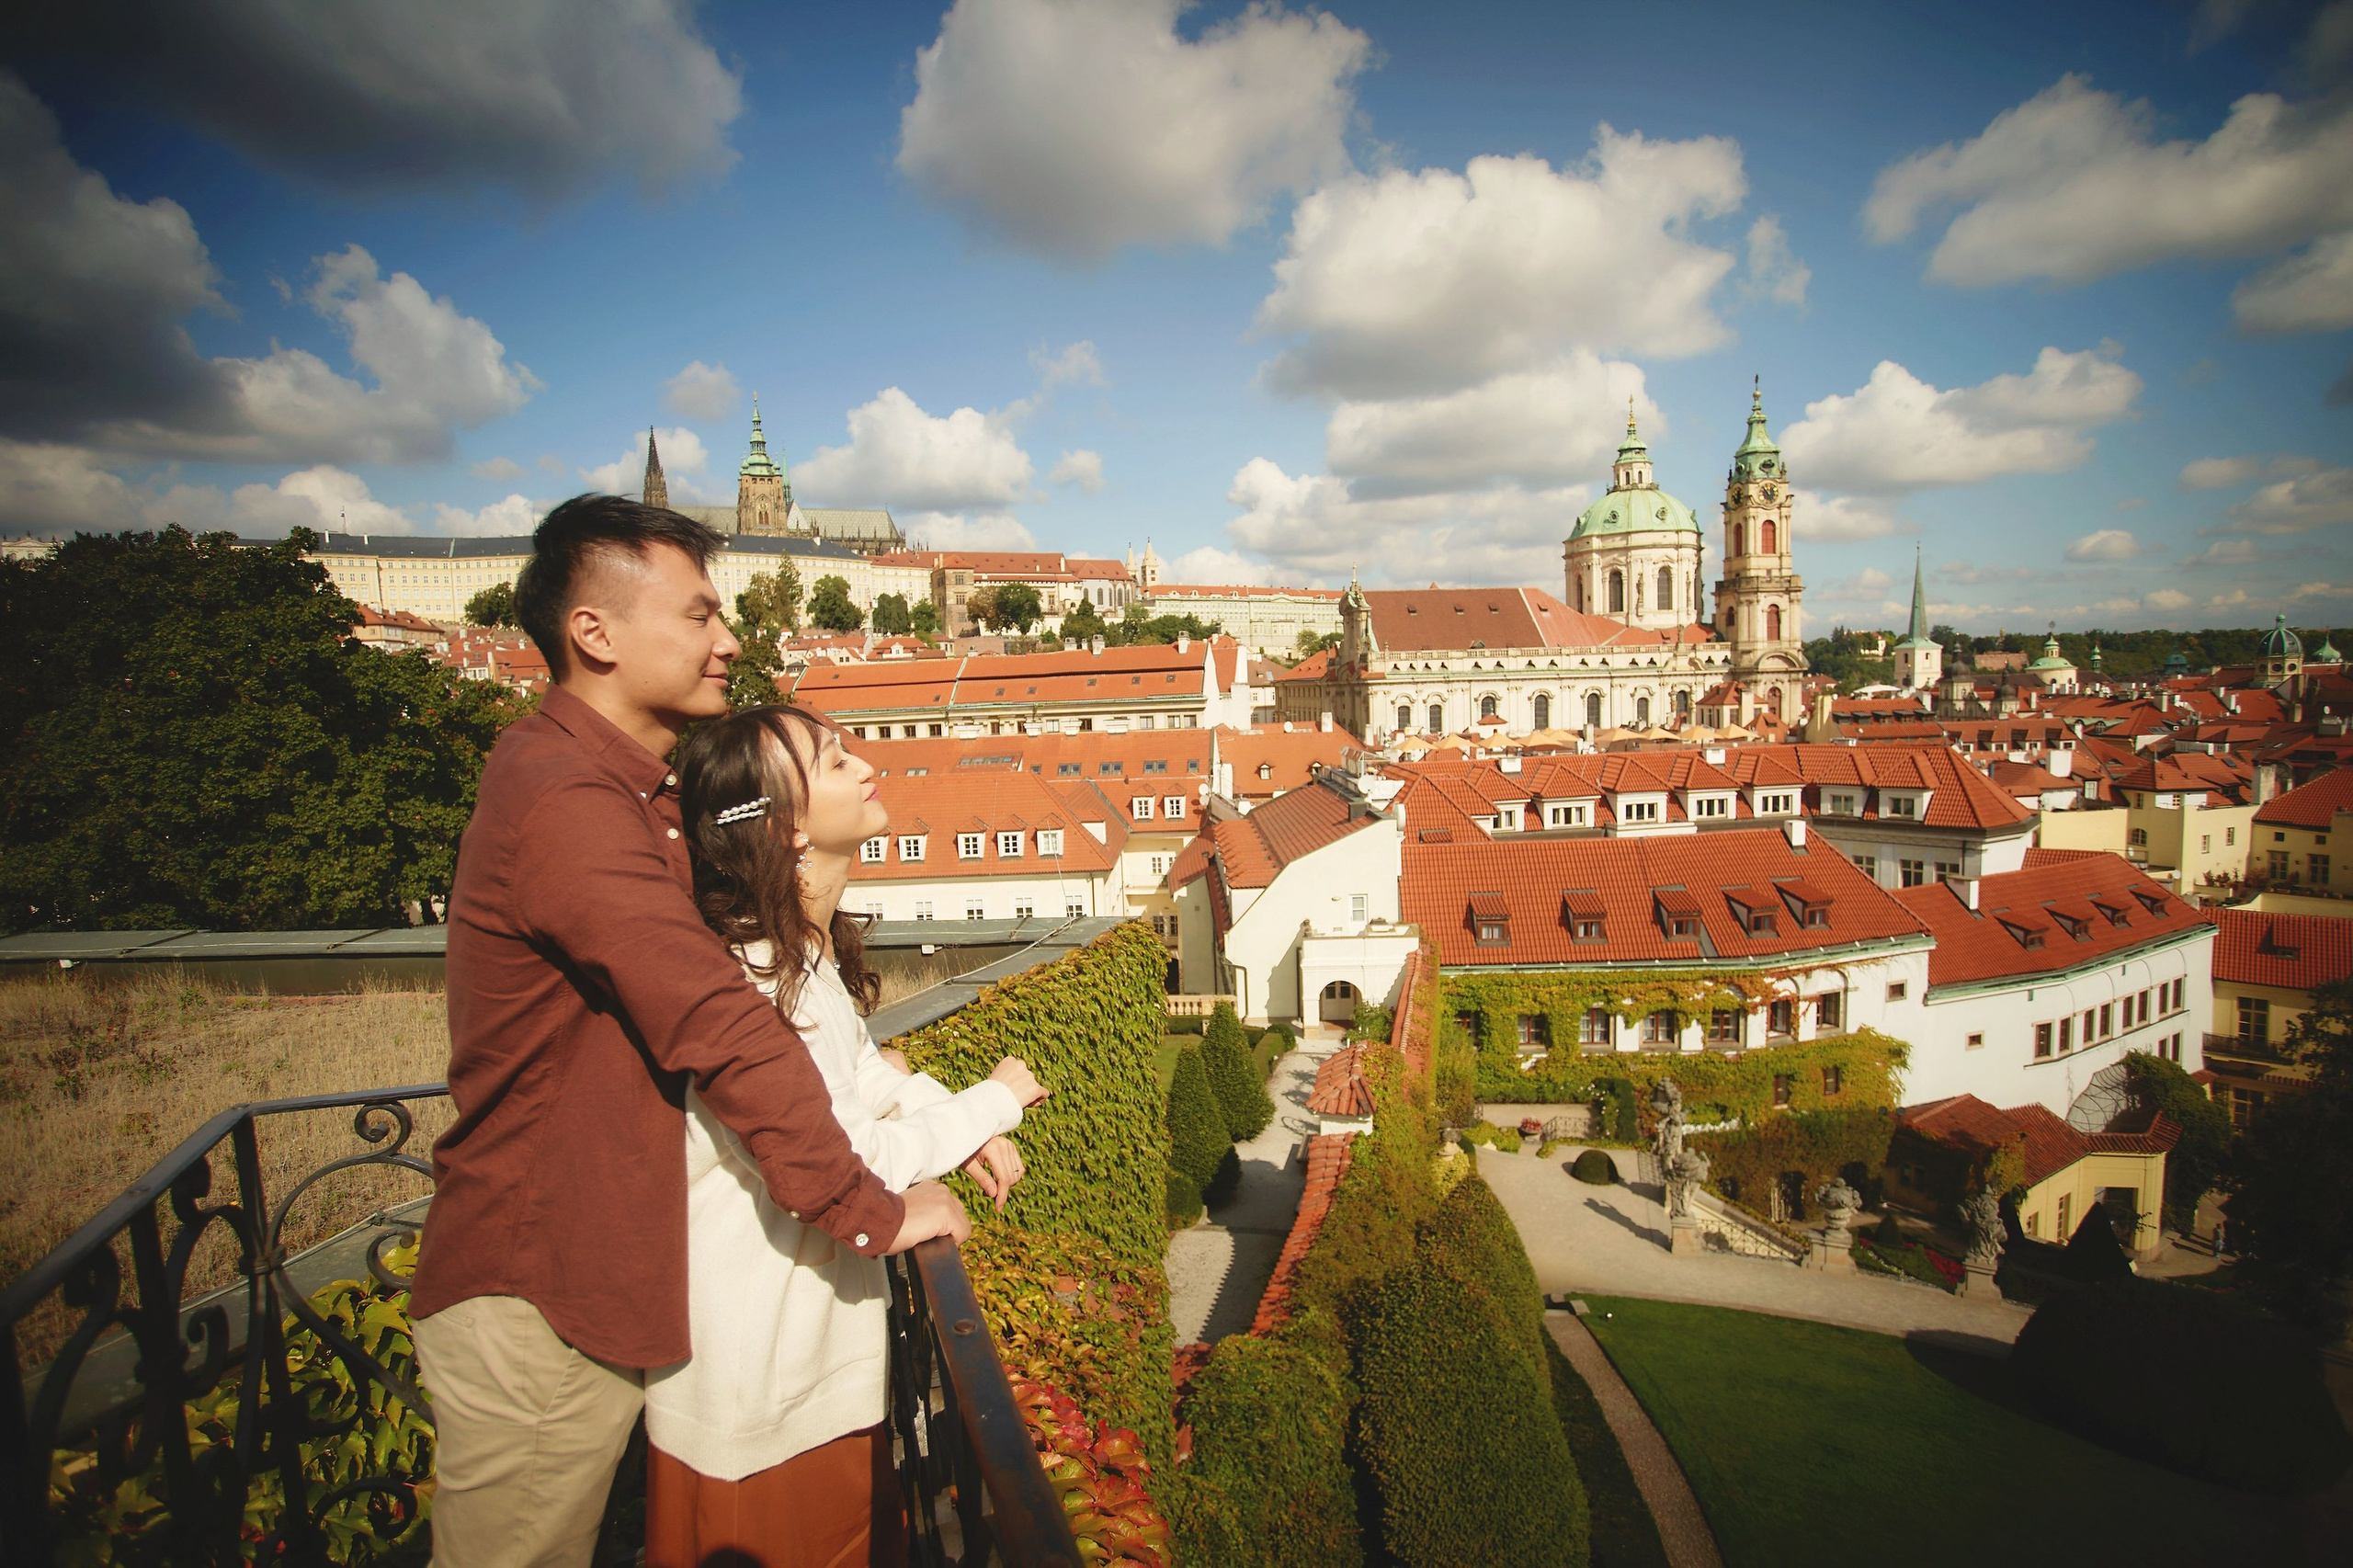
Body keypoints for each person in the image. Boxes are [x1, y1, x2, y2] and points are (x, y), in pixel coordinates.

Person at [406, 496, 972, 1568]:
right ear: (596, 634)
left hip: (597, 1271)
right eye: (701, 615)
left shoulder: (630, 793)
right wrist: (868, 1208)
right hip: (540, 1283)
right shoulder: (566, 795)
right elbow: (719, 1019)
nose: (730, 639)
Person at [643, 705, 1050, 1566]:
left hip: (796, 1364)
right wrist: (994, 1100)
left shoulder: (791, 955)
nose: (867, 766)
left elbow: (866, 1076)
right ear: (787, 830)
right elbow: (850, 1154)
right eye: (833, 762)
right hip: (767, 1379)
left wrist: (952, 1119)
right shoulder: (758, 979)